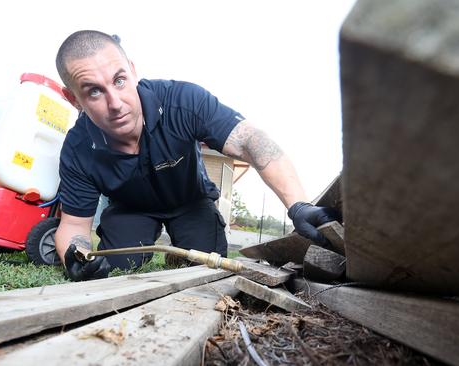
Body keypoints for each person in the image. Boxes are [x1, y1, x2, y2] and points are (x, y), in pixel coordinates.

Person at [54, 30, 339, 281]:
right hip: (130, 208)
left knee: (207, 266)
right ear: (74, 99)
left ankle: (181, 251)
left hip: (191, 201)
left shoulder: (183, 101)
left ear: (132, 70)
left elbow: (253, 142)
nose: (115, 103)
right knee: (114, 266)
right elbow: (74, 226)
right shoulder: (77, 149)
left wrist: (298, 205)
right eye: (94, 92)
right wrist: (74, 255)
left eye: (119, 80)